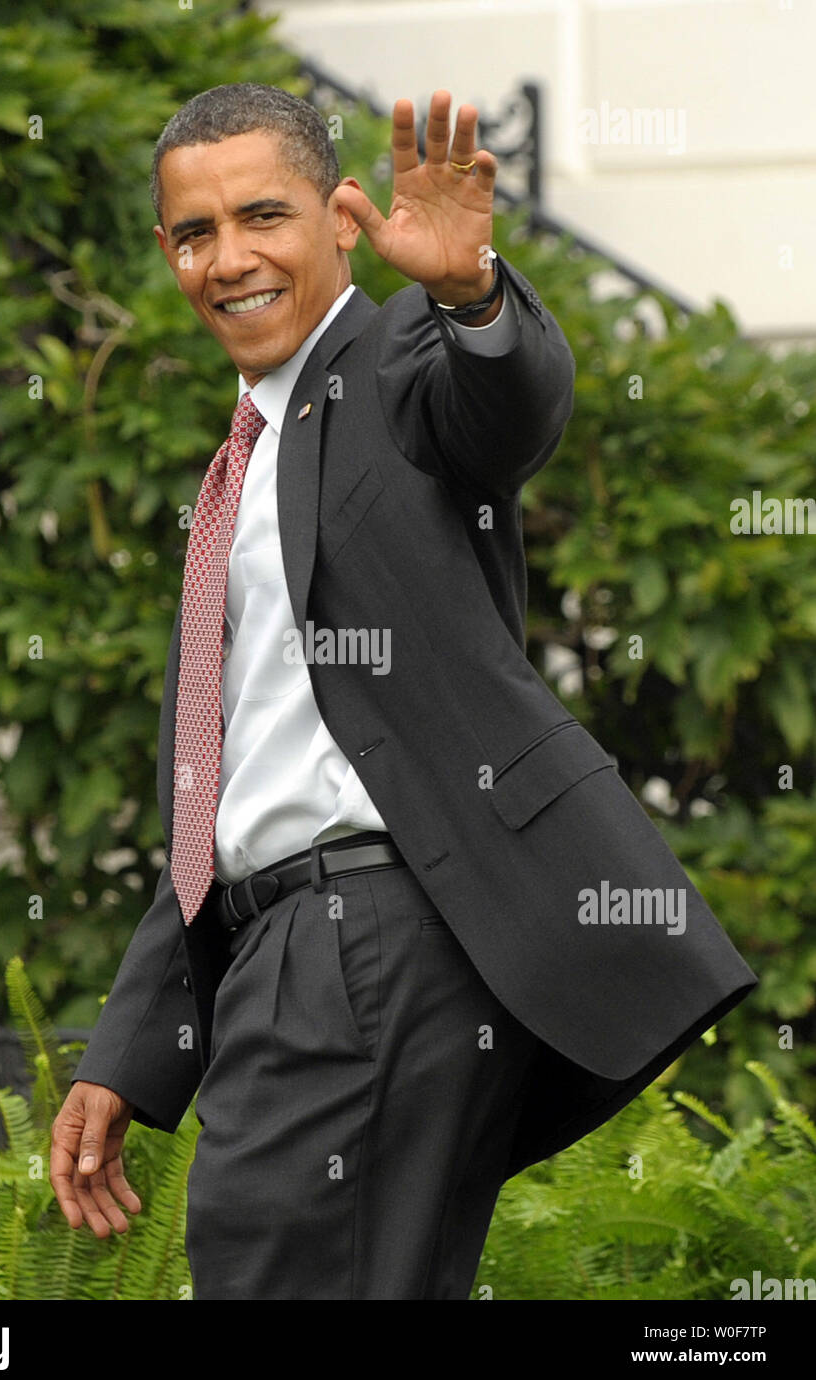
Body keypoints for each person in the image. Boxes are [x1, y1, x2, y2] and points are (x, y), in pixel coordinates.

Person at [49, 82, 757, 1300]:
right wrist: (129, 1046)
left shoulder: (391, 365)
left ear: (339, 220)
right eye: (194, 233)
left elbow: (505, 402)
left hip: (363, 938)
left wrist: (469, 295)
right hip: (297, 941)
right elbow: (224, 786)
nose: (229, 260)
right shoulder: (243, 461)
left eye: (261, 216)